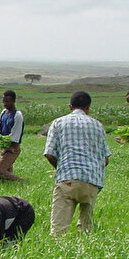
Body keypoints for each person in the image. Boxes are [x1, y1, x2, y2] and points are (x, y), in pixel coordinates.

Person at [43, 91, 111, 234]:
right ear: (88, 107)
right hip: (92, 182)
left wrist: (61, 168)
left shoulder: (58, 123)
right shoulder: (98, 125)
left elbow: (49, 154)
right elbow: (105, 160)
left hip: (67, 180)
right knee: (86, 230)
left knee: (58, 231)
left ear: (70, 106)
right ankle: (86, 251)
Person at [0, 90, 25, 181]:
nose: (4, 104)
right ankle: (12, 186)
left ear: (13, 101)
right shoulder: (3, 113)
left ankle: (22, 181)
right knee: (5, 174)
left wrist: (1, 140)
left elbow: (15, 136)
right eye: (3, 101)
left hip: (12, 149)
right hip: (4, 147)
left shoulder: (18, 115)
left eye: (7, 101)